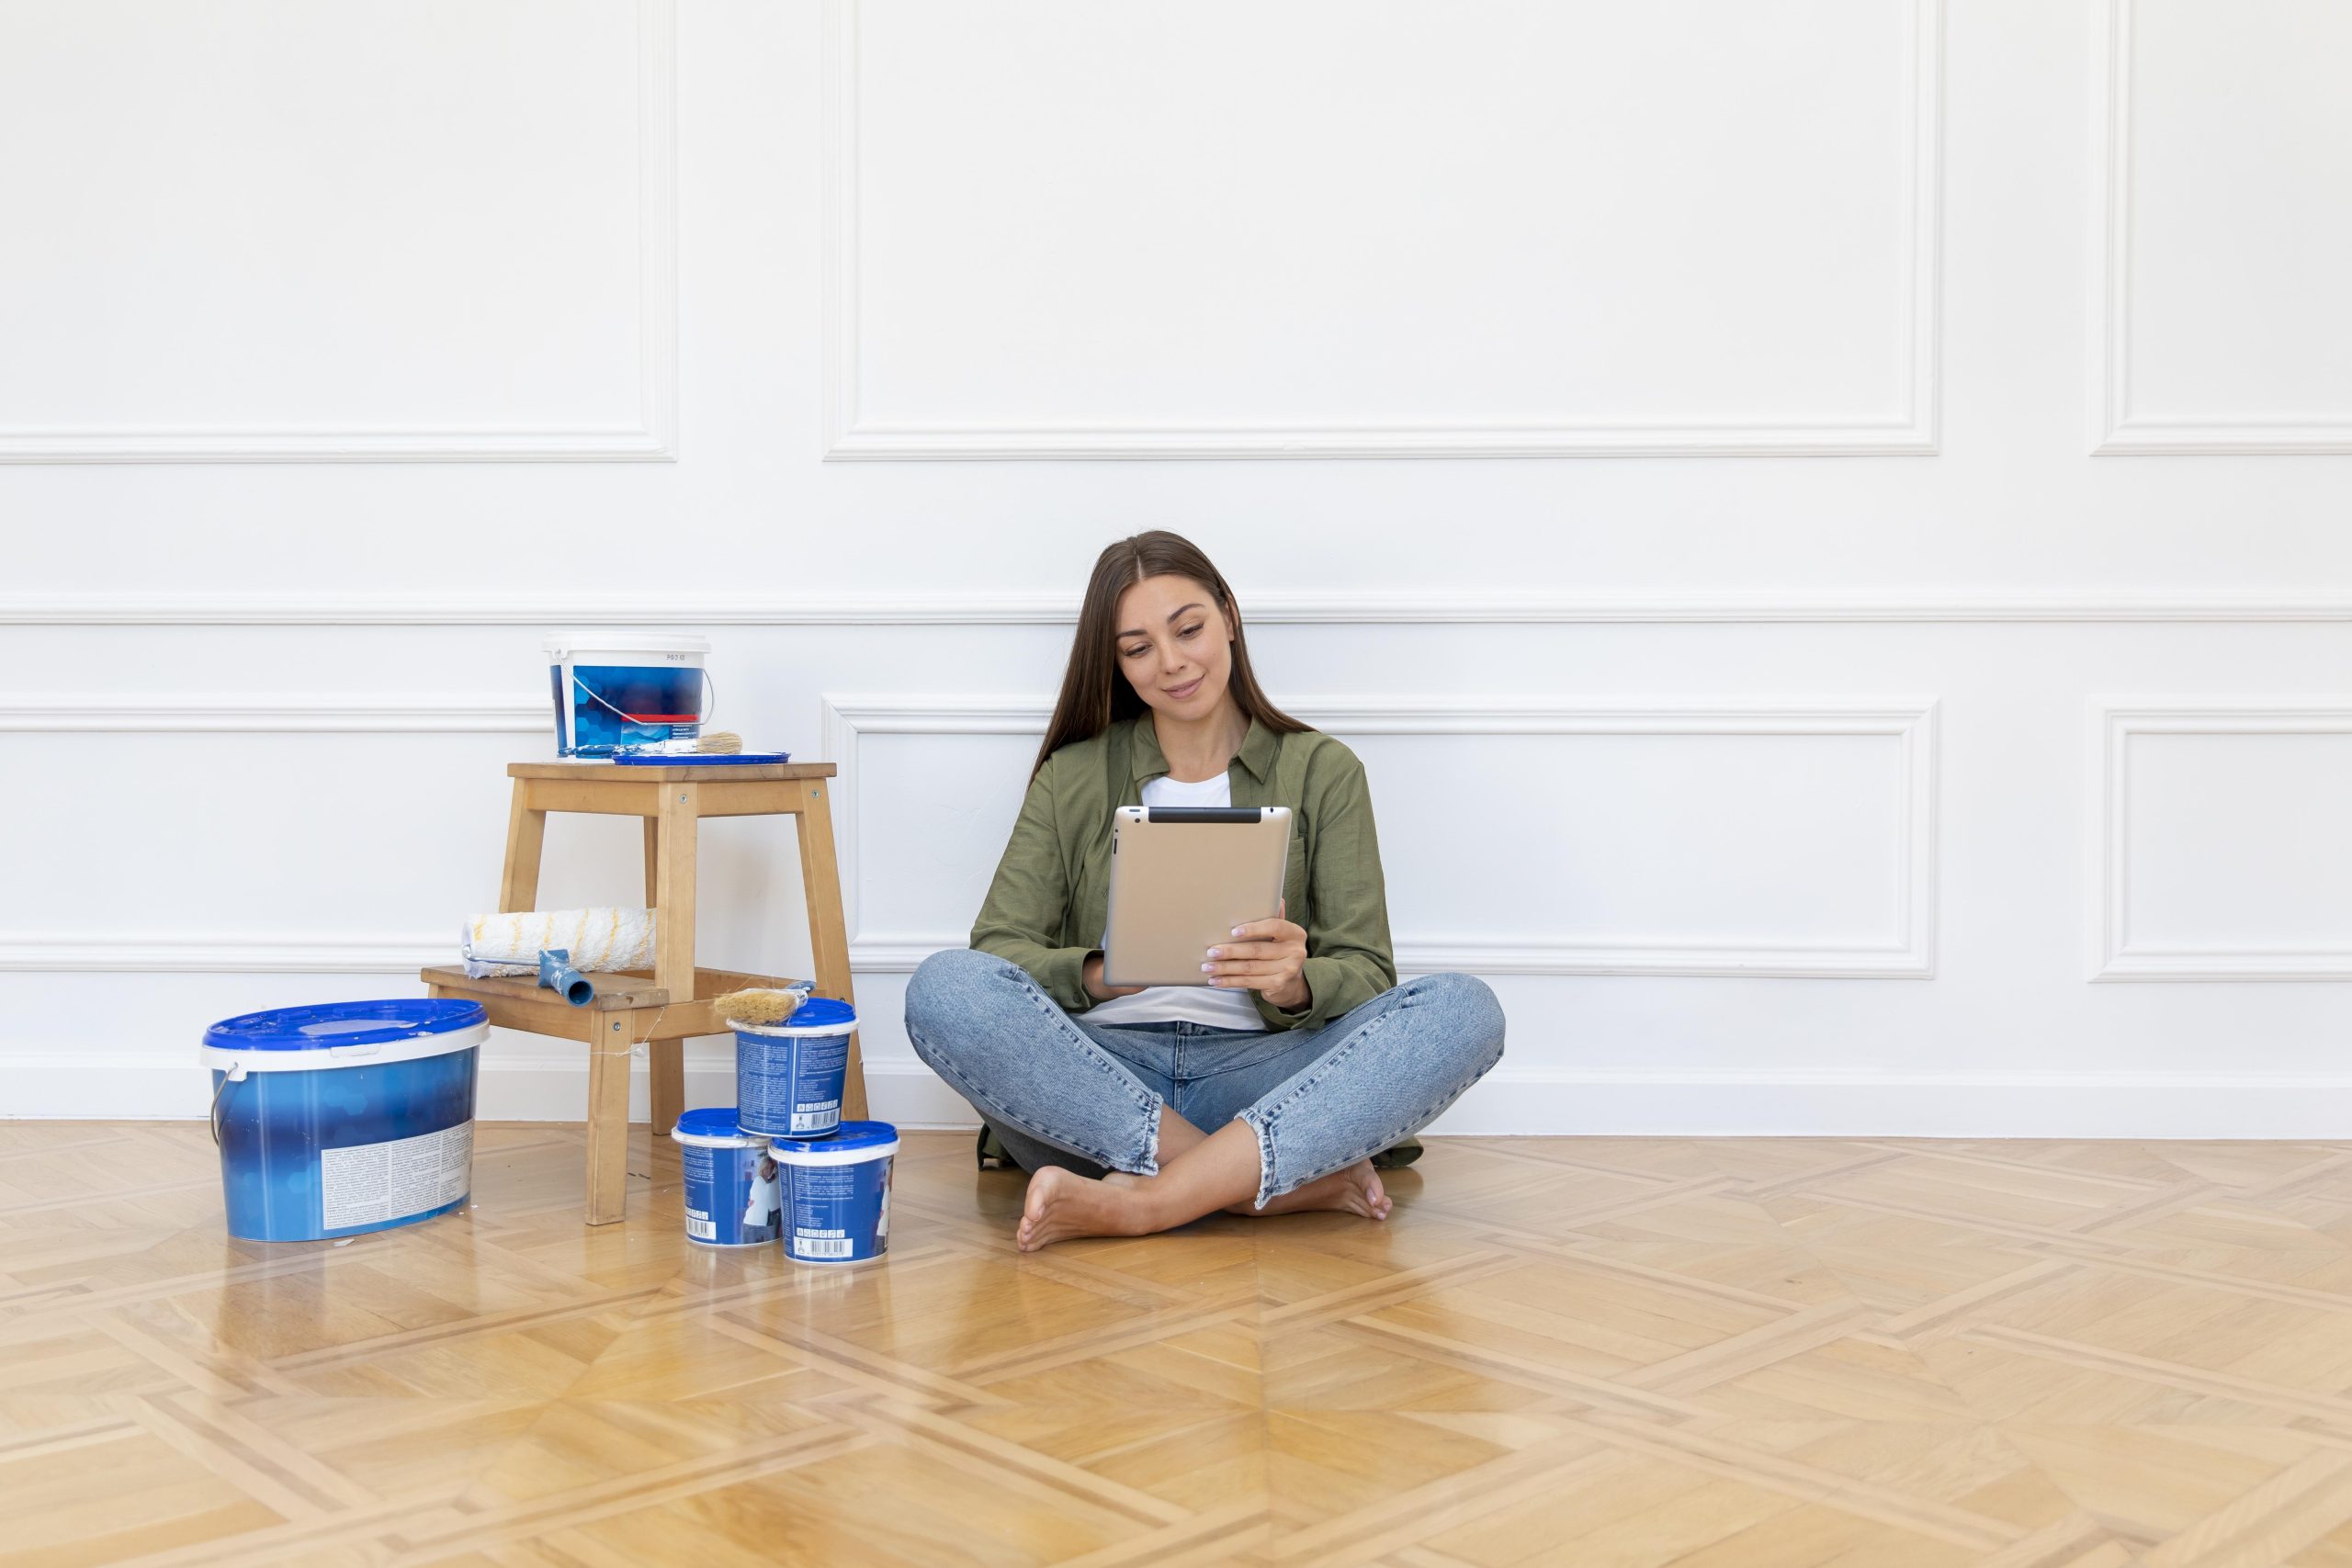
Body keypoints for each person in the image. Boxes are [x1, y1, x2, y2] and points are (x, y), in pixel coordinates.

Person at [903, 531, 1506, 1251]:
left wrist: (1296, 984)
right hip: (1104, 1080)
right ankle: (1253, 1185)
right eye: (1138, 648)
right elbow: (995, 952)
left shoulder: (1324, 768)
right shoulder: (1073, 774)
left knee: (1466, 1010)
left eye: (1188, 628)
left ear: (1229, 615)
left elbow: (1371, 972)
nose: (1173, 662)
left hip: (1264, 1077)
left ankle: (1146, 1202)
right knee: (943, 987)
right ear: (1118, 664)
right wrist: (1099, 974)